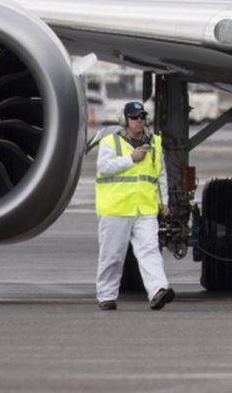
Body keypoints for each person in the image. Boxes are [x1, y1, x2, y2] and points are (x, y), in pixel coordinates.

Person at [95, 101, 174, 311]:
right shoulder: (110, 142)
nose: (139, 121)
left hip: (144, 209)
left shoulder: (154, 143)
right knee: (112, 254)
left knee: (150, 250)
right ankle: (106, 295)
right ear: (125, 120)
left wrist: (163, 201)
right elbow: (103, 168)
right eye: (134, 117)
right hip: (116, 208)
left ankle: (158, 290)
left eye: (141, 117)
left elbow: (160, 175)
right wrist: (131, 159)